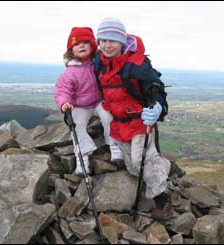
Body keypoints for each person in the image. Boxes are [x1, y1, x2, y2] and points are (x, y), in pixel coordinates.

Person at [94, 18, 172, 219]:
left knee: (141, 162)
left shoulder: (136, 65)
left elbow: (157, 90)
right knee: (131, 166)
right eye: (103, 40)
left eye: (112, 40)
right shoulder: (99, 64)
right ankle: (161, 166)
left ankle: (163, 201)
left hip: (140, 121)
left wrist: (157, 107)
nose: (107, 45)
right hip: (119, 123)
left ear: (122, 42)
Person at [54, 26, 123, 176]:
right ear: (71, 50)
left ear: (93, 45)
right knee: (76, 125)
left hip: (99, 101)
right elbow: (62, 90)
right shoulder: (70, 73)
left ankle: (114, 145)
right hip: (80, 106)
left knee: (108, 115)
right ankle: (83, 157)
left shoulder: (97, 63)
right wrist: (64, 103)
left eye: (86, 42)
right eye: (77, 44)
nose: (82, 46)